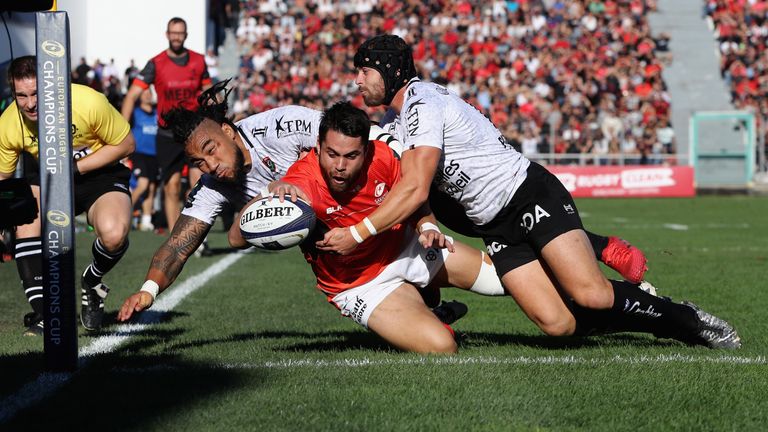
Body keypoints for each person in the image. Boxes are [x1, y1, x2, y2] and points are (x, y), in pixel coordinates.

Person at [319, 35, 740, 349]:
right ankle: (632, 305)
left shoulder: (422, 102)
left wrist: (356, 233)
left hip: (527, 195)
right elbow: (415, 187)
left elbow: (414, 185)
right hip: (495, 226)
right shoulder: (398, 125)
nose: (358, 81)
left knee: (591, 293)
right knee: (558, 324)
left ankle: (680, 318)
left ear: (390, 70)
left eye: (365, 71)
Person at [118, 100, 502, 353]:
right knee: (441, 347)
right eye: (198, 162)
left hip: (393, 236)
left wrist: (424, 217)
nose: (210, 165)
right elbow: (178, 246)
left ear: (229, 131)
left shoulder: (283, 125)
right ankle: (424, 310)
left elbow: (351, 138)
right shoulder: (211, 189)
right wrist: (148, 290)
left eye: (211, 149)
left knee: (505, 280)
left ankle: (428, 293)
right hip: (352, 278)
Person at [0, 55, 136, 334]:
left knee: (114, 235)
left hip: (100, 176)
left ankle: (92, 282)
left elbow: (126, 145)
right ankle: (44, 314)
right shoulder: (9, 121)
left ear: (52, 85)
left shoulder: (88, 101)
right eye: (21, 95)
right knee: (23, 216)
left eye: (36, 93)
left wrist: (71, 167)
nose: (30, 103)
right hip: (47, 179)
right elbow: (2, 180)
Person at [122, 17, 212, 232]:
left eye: (180, 33)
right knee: (171, 187)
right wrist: (123, 132)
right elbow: (131, 96)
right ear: (167, 34)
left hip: (194, 131)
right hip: (167, 135)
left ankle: (199, 234)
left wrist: (215, 119)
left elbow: (210, 94)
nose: (176, 37)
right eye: (173, 33)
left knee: (198, 182)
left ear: (186, 35)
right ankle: (175, 238)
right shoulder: (156, 63)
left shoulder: (199, 61)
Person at [129, 88, 160, 231]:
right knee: (143, 184)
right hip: (139, 153)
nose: (148, 95)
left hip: (154, 154)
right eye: (145, 92)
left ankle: (146, 220)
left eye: (150, 92)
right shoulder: (134, 112)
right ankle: (125, 214)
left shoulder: (157, 112)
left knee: (152, 188)